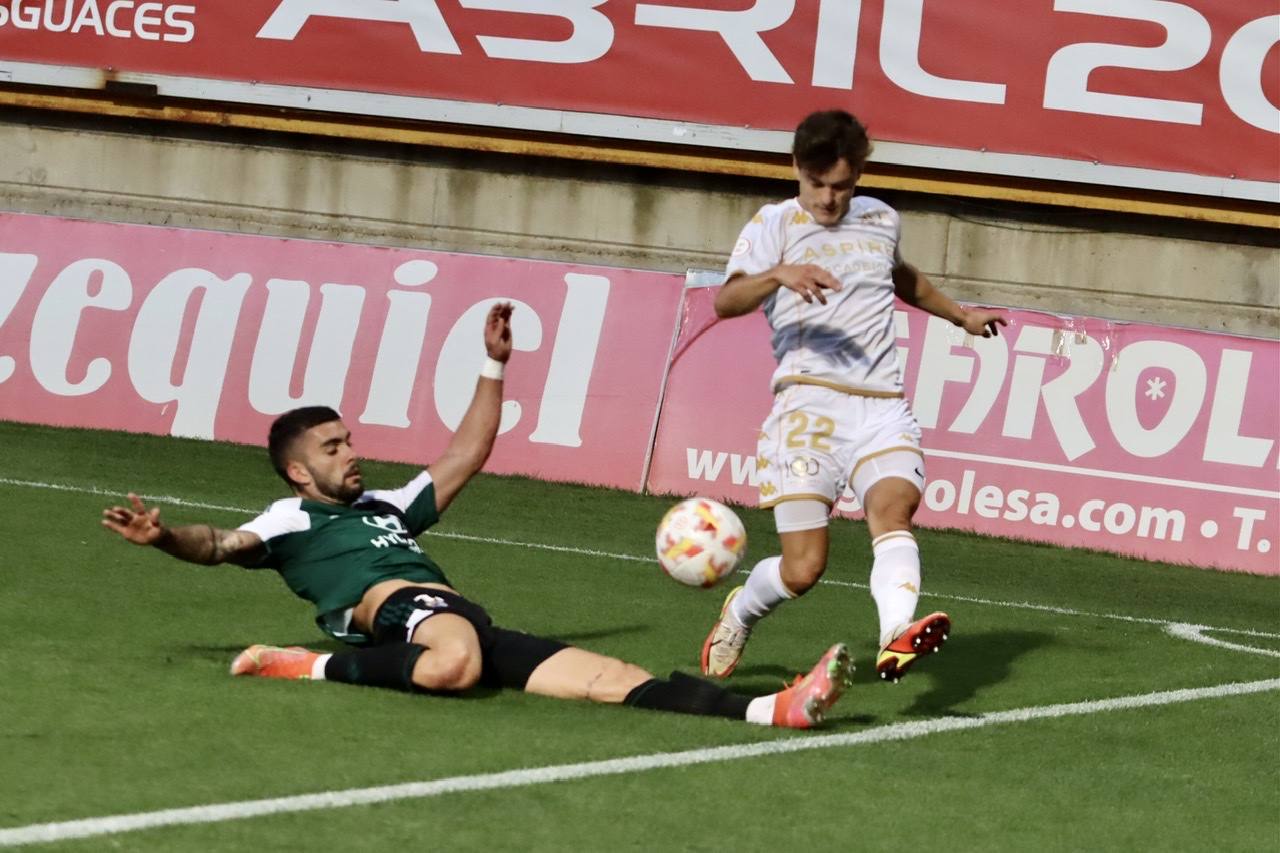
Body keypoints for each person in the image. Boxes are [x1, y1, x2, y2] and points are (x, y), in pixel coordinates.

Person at [102, 303, 851, 728]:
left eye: (349, 437)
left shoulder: (384, 504)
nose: (350, 450)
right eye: (333, 446)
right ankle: (307, 664)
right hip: (399, 610)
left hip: (456, 612)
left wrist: (494, 365)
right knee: (453, 665)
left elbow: (467, 452)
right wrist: (165, 535)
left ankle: (770, 709)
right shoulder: (288, 518)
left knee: (613, 677)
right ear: (300, 469)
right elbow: (220, 542)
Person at [700, 110, 1006, 683]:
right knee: (804, 568)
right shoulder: (774, 225)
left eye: (841, 185)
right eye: (817, 184)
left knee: (893, 510)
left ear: (860, 174)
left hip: (881, 404)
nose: (829, 199)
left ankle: (895, 633)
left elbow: (899, 277)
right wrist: (778, 275)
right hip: (806, 407)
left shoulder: (881, 219)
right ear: (797, 168)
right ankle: (740, 611)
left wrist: (961, 316)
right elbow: (725, 302)